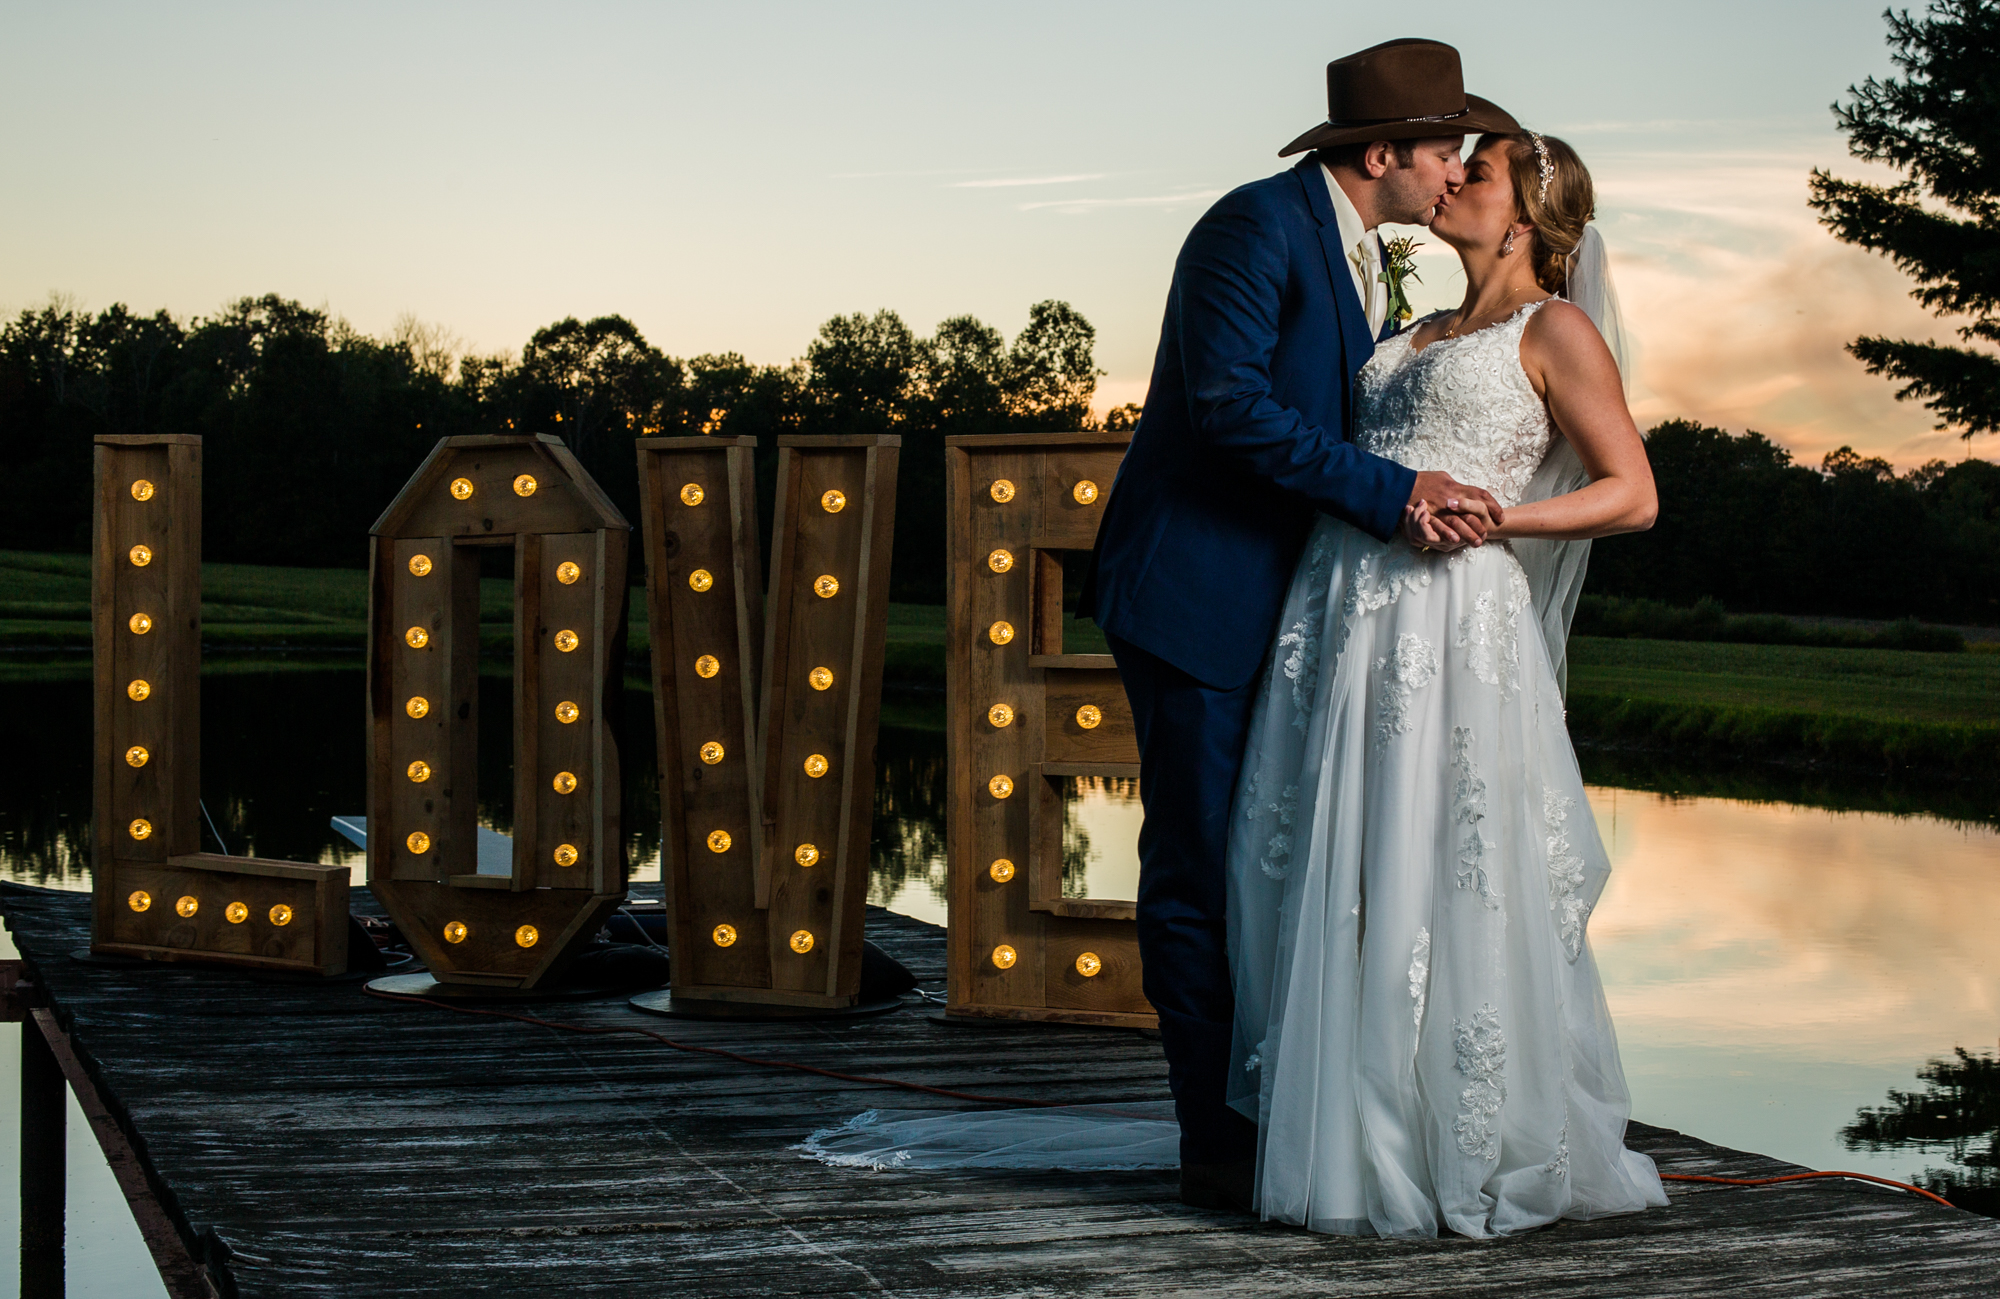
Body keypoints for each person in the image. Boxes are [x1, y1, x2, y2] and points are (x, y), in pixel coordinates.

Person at [1076, 37, 1515, 1210]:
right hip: (1197, 596)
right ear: (1379, 153)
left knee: (1276, 870)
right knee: (1199, 873)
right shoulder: (1252, 227)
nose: (1451, 172)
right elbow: (1225, 408)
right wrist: (1396, 493)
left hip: (1296, 608)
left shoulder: (1367, 254)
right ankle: (1214, 1146)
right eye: (1438, 151)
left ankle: (1288, 1118)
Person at [1222, 129, 1665, 1236]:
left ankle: (1448, 1138)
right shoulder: (1405, 332)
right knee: (1337, 859)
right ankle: (1345, 1129)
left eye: (1480, 168)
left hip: (1453, 618)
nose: (1452, 174)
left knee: (1444, 856)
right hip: (1342, 614)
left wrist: (1499, 518)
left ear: (1525, 213)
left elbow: (1631, 493)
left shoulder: (1552, 328)